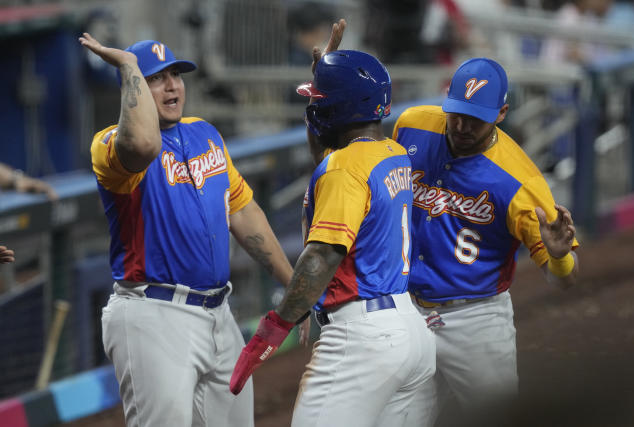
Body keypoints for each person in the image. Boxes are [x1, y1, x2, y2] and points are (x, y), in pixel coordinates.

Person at [78, 33, 294, 427]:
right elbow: (143, 143)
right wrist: (129, 66)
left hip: (219, 314)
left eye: (176, 74)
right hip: (154, 314)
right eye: (156, 78)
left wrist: (296, 289)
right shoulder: (110, 145)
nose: (173, 85)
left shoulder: (204, 134)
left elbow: (242, 210)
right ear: (135, 90)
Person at [229, 24, 436, 427]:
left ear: (338, 109)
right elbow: (327, 151)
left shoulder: (343, 169)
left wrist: (277, 325)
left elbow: (321, 256)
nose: (313, 107)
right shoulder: (391, 153)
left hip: (361, 340)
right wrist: (321, 78)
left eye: (319, 100)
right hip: (411, 334)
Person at [392, 57, 580, 425]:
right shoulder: (412, 126)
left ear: (501, 113)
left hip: (474, 318)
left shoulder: (521, 184)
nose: (461, 126)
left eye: (474, 119)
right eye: (456, 114)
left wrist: (558, 258)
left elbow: (566, 280)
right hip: (406, 312)